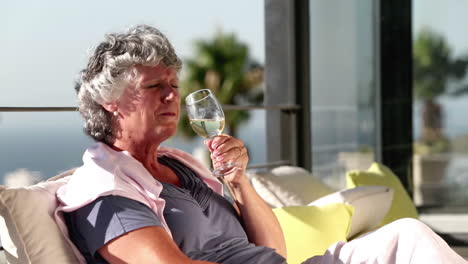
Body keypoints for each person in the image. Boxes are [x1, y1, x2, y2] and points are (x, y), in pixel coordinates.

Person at [54, 24, 467, 264]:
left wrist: (239, 183)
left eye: (174, 85)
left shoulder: (180, 167)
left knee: (408, 236)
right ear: (110, 104)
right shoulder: (107, 194)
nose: (171, 97)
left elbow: (274, 250)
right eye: (154, 86)